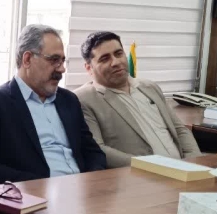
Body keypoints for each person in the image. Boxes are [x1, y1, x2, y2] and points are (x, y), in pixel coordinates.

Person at [0, 24, 106, 183]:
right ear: (27, 59)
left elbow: (93, 152)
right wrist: (44, 186)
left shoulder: (69, 100)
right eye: (54, 60)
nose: (62, 69)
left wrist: (91, 182)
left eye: (63, 61)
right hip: (33, 193)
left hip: (83, 190)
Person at [74, 31, 201, 168]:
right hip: (141, 175)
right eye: (105, 59)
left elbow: (179, 130)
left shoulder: (149, 87)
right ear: (89, 68)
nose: (115, 62)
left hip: (185, 170)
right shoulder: (83, 99)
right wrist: (154, 166)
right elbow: (98, 149)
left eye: (118, 54)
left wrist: (194, 162)